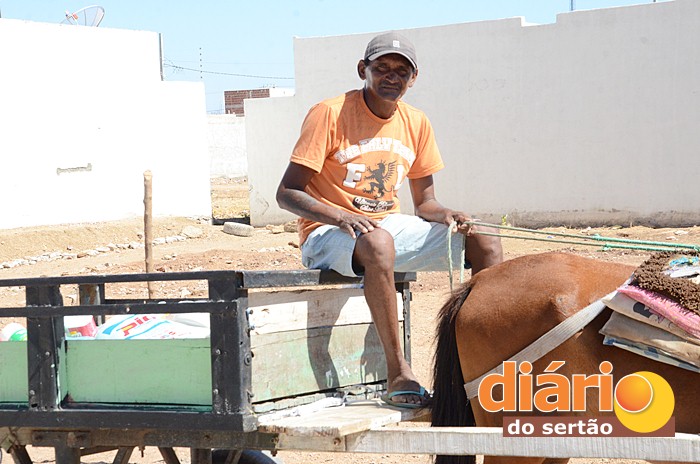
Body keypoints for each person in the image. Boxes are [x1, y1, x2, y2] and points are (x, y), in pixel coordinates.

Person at [276, 31, 503, 408]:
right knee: (378, 241)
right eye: (382, 68)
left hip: (385, 228)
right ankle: (399, 372)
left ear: (414, 78)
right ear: (363, 69)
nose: (392, 77)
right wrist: (339, 215)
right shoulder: (329, 113)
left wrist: (449, 215)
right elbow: (288, 192)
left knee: (486, 237)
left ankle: (485, 362)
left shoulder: (416, 122)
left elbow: (425, 202)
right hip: (326, 234)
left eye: (402, 71)